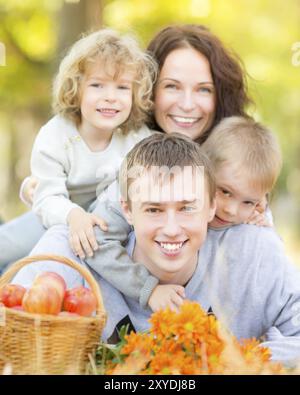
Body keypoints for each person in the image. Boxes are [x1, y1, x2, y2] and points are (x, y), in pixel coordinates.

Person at [12, 134, 300, 363]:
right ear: (127, 210)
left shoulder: (255, 253)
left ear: (212, 206)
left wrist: (229, 362)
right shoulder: (73, 248)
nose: (172, 228)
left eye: (187, 207)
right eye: (153, 209)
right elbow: (10, 331)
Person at [0, 28, 156, 272]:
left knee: (43, 266)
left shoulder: (137, 139)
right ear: (76, 88)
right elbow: (47, 196)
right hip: (57, 216)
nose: (110, 97)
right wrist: (73, 215)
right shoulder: (56, 135)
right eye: (97, 85)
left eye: (122, 88)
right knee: (8, 247)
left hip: (103, 229)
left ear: (135, 94)